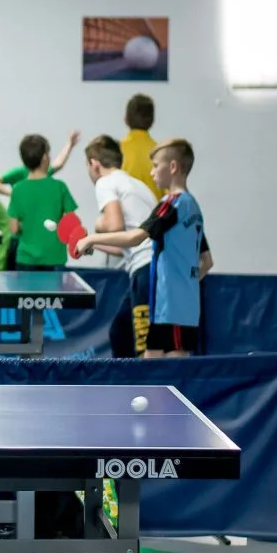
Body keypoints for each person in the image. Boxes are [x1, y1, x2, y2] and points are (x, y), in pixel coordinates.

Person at [77, 139, 208, 356]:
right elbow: (207, 261)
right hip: (173, 294)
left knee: (166, 356)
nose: (152, 172)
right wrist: (185, 285)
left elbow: (135, 237)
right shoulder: (192, 206)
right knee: (141, 347)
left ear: (173, 167)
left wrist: (92, 238)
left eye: (156, 166)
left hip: (161, 291)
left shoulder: (170, 203)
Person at [80, 135, 156, 357]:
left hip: (145, 268)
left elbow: (115, 225)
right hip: (155, 265)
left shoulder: (105, 182)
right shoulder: (138, 185)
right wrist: (92, 242)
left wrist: (97, 226)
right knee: (120, 332)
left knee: (144, 345)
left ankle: (145, 380)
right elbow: (125, 244)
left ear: (94, 164)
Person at [4, 134, 81, 271]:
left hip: (26, 258)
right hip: (55, 257)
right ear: (45, 157)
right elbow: (72, 222)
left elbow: (14, 229)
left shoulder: (18, 189)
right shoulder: (60, 187)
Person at [0, 130, 79, 199]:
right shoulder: (21, 172)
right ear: (44, 158)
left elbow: (58, 163)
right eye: (47, 153)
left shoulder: (44, 173)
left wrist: (69, 144)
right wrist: (13, 194)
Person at [122, 94, 161, 201]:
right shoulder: (161, 152)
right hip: (155, 210)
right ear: (152, 121)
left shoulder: (116, 150)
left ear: (126, 119)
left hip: (124, 211)